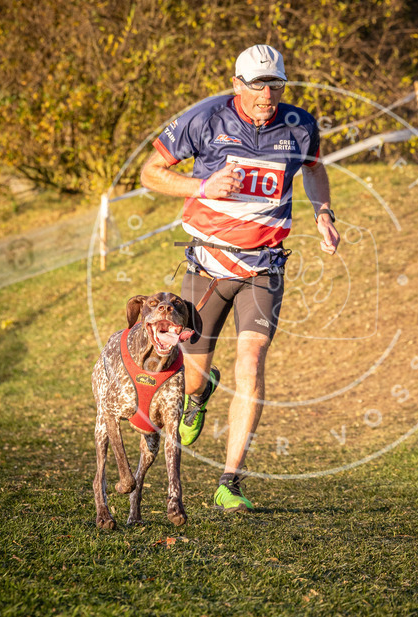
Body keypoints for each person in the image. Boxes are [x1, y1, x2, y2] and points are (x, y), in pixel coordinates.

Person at [140, 44, 340, 511]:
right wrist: (202, 186)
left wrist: (323, 212)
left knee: (251, 362)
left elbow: (315, 170)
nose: (267, 95)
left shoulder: (300, 125)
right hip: (208, 265)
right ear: (236, 85)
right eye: (257, 85)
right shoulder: (204, 119)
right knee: (193, 374)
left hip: (264, 267)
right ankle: (200, 392)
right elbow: (151, 174)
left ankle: (230, 481)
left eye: (276, 85)